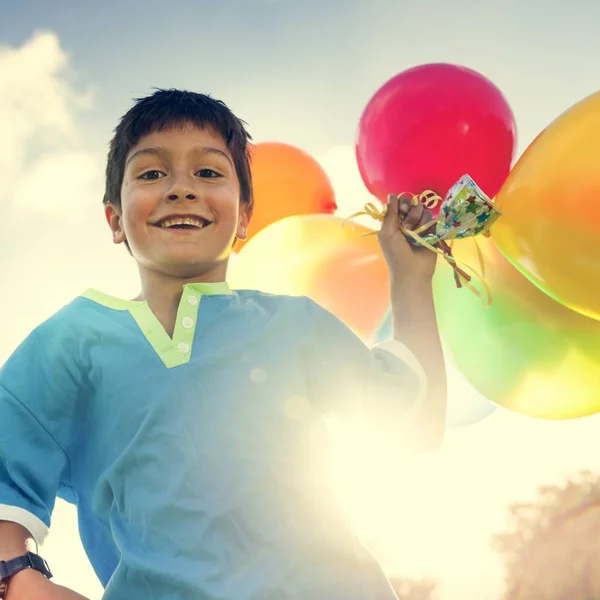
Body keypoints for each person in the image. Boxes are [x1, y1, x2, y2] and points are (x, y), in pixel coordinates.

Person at [0, 89, 446, 600]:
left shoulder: (294, 324)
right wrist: (16, 578)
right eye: (150, 173)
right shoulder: (70, 344)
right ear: (115, 220)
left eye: (209, 172)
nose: (181, 189)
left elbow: (415, 420)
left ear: (245, 218)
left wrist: (410, 282)